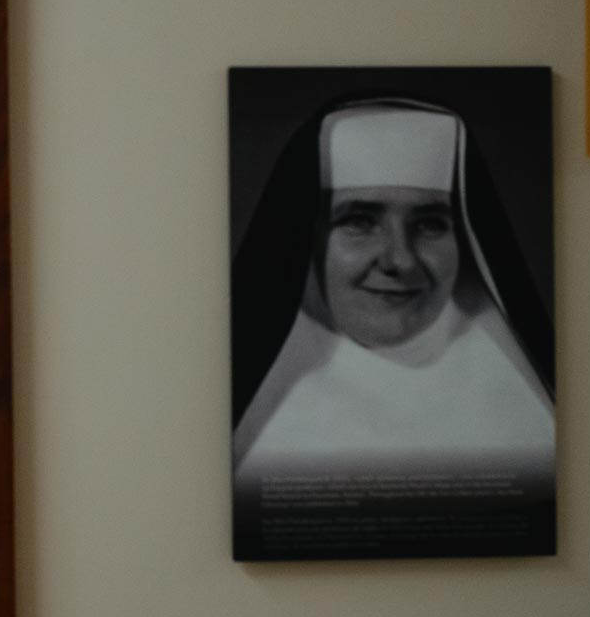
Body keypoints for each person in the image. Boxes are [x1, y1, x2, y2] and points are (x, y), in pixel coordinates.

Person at [231, 99, 555, 478]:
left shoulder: (525, 395)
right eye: (360, 221)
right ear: (307, 237)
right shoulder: (236, 404)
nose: (400, 260)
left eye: (430, 224)